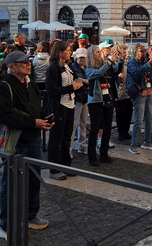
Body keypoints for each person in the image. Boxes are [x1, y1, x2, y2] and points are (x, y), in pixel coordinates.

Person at [0, 51, 54, 239]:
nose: (28, 64)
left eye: (28, 61)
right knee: (11, 183)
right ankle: (6, 224)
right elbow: (3, 116)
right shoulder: (5, 85)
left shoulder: (31, 84)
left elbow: (36, 108)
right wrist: (33, 122)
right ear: (12, 67)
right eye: (23, 62)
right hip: (16, 142)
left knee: (34, 179)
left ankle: (30, 215)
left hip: (33, 139)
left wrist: (45, 118)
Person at [46, 41, 84, 178]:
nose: (70, 52)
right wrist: (71, 87)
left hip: (70, 104)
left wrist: (78, 84)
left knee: (67, 137)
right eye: (67, 50)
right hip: (59, 106)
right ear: (60, 53)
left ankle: (66, 166)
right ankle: (54, 169)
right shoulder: (53, 68)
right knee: (56, 138)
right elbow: (51, 90)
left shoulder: (68, 66)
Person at [86, 43, 122, 165]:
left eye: (99, 51)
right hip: (96, 100)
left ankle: (104, 154)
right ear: (92, 55)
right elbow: (98, 73)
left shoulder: (106, 64)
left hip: (108, 99)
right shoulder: (89, 67)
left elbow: (116, 71)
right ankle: (92, 156)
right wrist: (109, 62)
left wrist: (120, 59)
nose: (99, 54)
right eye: (97, 52)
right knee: (95, 129)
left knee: (107, 128)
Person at [126, 43, 152, 154]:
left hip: (149, 92)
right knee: (139, 120)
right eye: (141, 51)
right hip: (139, 93)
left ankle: (147, 142)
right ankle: (134, 144)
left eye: (144, 51)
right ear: (135, 52)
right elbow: (136, 73)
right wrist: (149, 63)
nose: (144, 53)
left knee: (150, 118)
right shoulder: (131, 62)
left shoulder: (146, 61)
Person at [70, 47, 89, 155]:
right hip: (77, 97)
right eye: (81, 57)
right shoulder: (73, 67)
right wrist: (85, 80)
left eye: (84, 57)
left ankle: (82, 145)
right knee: (74, 123)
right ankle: (70, 147)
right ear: (76, 57)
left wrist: (84, 80)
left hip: (85, 96)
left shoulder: (85, 67)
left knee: (83, 123)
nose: (82, 59)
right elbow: (77, 79)